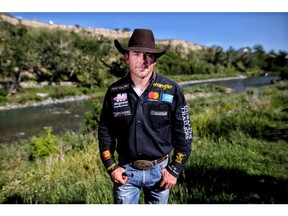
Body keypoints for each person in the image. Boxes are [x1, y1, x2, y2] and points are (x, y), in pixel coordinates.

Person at [98, 29, 193, 204]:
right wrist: (111, 166)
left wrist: (175, 169)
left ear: (155, 60)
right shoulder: (114, 91)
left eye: (148, 55)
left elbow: (185, 133)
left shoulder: (172, 90)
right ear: (127, 57)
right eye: (136, 54)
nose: (143, 61)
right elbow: (105, 131)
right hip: (126, 173)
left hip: (161, 173)